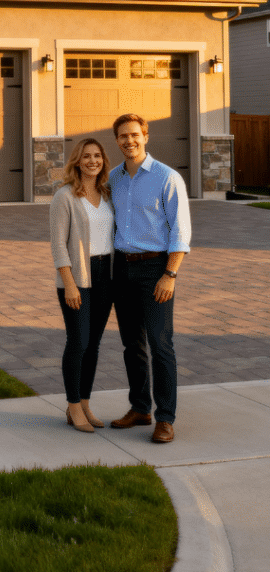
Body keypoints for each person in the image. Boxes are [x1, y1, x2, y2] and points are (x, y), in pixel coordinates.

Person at [108, 112, 191, 443]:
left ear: (145, 136)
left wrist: (170, 274)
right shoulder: (113, 177)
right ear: (116, 140)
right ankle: (140, 407)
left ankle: (166, 417)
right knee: (132, 344)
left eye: (134, 135)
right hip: (121, 268)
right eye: (122, 136)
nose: (129, 141)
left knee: (160, 343)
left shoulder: (166, 178)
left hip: (155, 269)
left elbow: (180, 232)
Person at [50, 138, 116, 433]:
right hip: (78, 277)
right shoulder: (64, 197)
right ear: (77, 161)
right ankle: (73, 405)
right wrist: (70, 285)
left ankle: (86, 402)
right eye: (87, 156)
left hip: (105, 276)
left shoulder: (106, 193)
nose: (93, 161)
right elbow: (58, 246)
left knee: (93, 345)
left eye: (97, 156)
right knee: (78, 342)